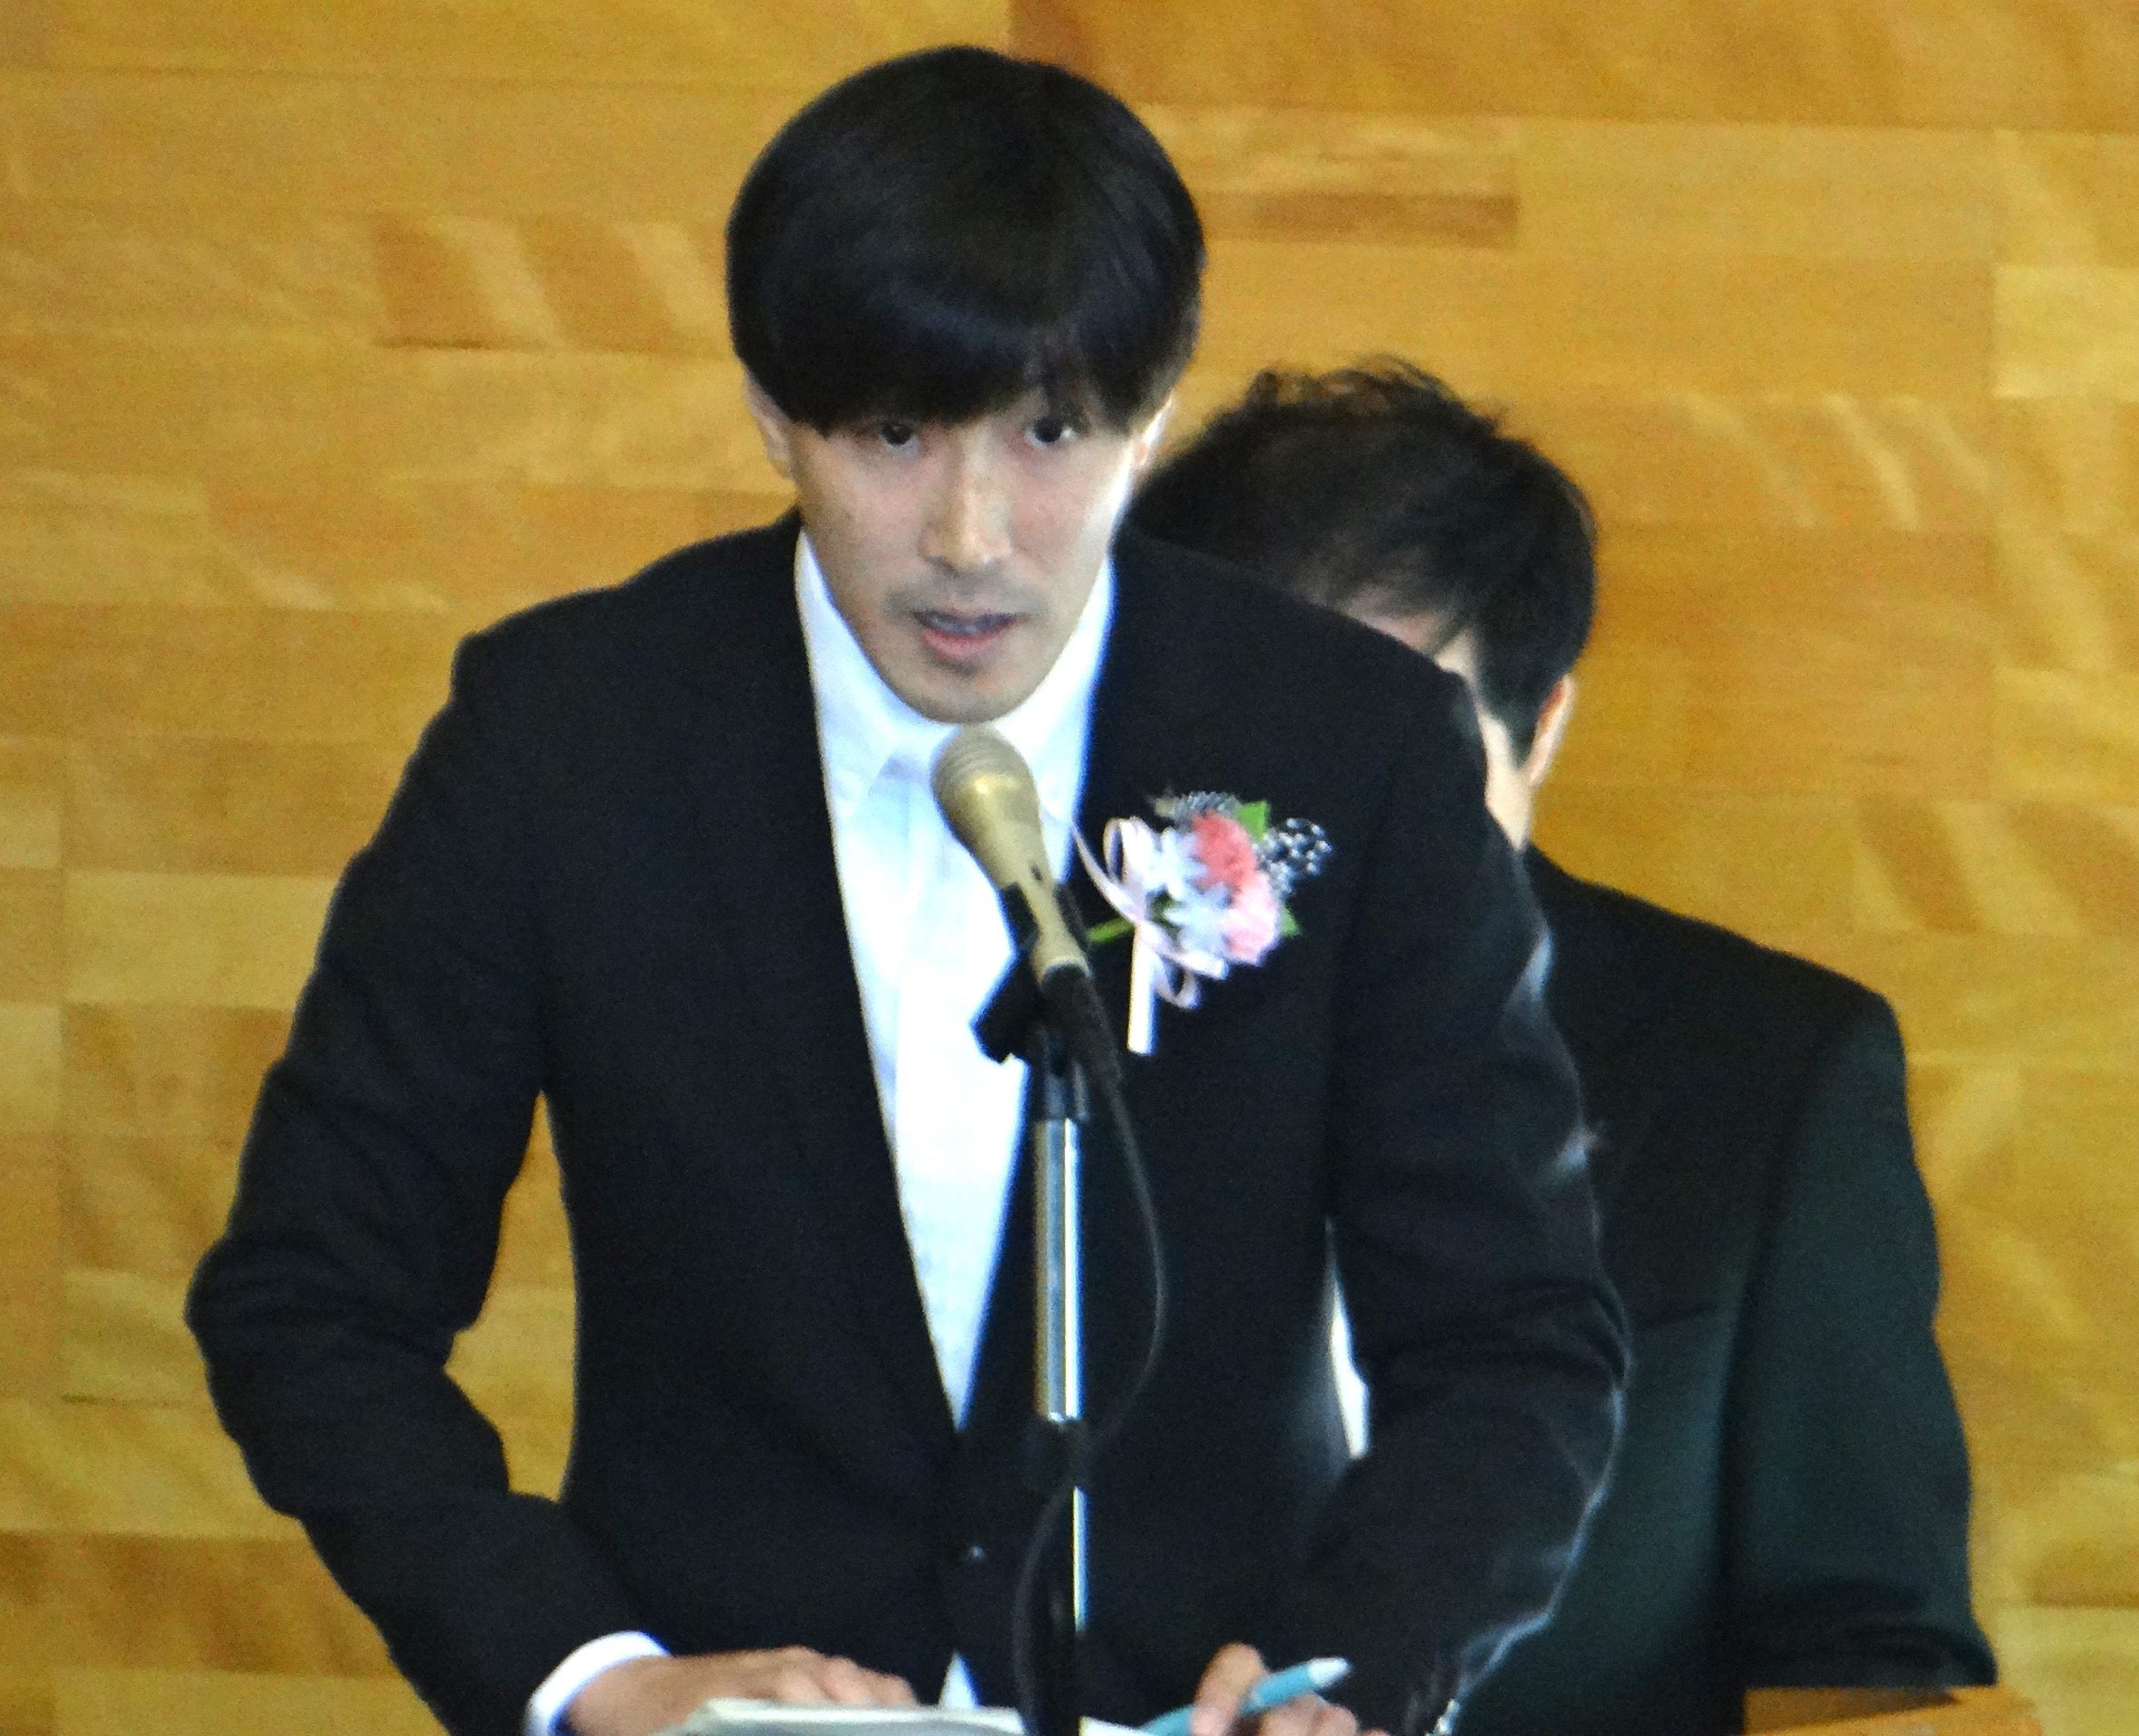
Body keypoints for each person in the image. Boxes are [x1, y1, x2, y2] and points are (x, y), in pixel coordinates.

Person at [186, 57, 1627, 1736]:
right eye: (891, 434)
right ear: (771, 413)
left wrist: (1356, 1675)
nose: (969, 536)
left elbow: (1514, 1342)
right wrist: (592, 1677)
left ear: (1154, 416)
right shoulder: (569, 742)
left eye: (1050, 434)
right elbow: (315, 1302)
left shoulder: (1344, 749)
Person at [1128, 362, 1999, 1736]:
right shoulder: (1036, 1022)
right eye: (1268, 748)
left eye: (1401, 749)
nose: (1329, 826)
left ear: (1540, 732)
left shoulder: (1768, 1074)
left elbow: (1868, 1653)